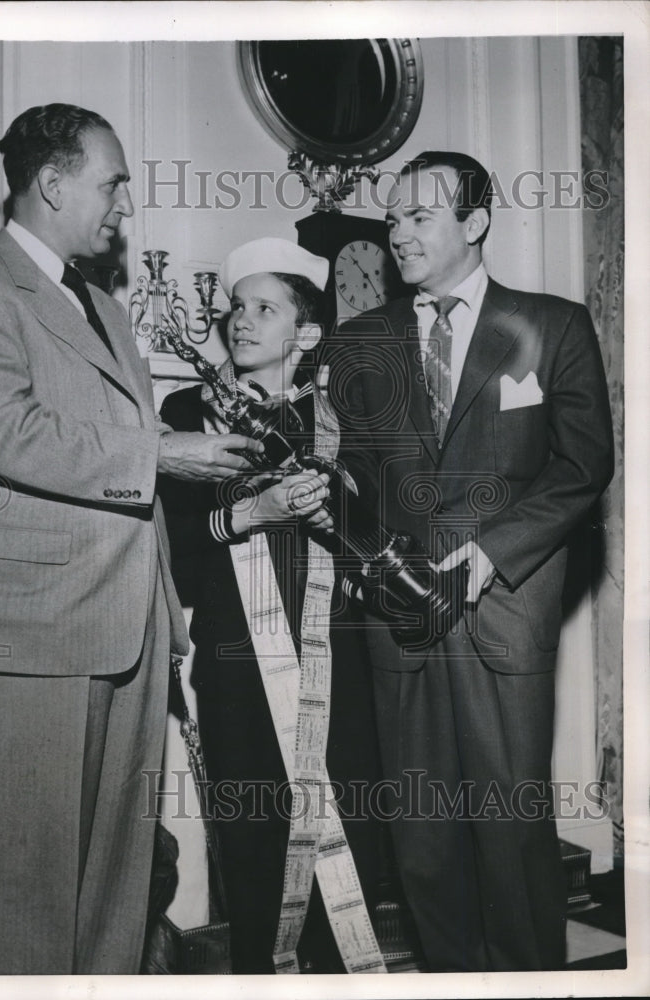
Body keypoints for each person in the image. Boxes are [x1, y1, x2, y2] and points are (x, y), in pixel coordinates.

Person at [0, 103, 262, 975]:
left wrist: (169, 619)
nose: (124, 205)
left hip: (131, 629)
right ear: (53, 182)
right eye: (111, 183)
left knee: (117, 885)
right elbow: (0, 430)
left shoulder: (103, 308)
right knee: (27, 889)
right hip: (29, 633)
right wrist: (163, 452)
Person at [329, 151, 614, 972]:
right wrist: (367, 563)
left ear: (474, 222)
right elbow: (349, 475)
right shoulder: (360, 342)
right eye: (391, 219)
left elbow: (581, 466)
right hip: (399, 613)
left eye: (419, 216)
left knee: (510, 826)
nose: (398, 234)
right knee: (420, 834)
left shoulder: (552, 325)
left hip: (505, 606)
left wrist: (490, 553)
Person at [158, 238, 384, 974]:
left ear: (306, 332)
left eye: (264, 308)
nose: (241, 321)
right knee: (252, 841)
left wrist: (330, 513)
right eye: (236, 307)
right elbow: (174, 554)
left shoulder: (343, 418)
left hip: (335, 663)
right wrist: (251, 515)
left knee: (338, 831)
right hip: (234, 663)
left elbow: (376, 545)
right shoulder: (185, 410)